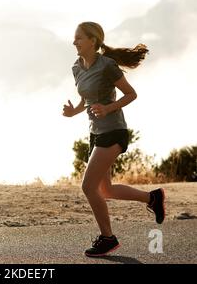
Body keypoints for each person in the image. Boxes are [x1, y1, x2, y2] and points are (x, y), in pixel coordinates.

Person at [63, 21, 165, 257]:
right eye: (74, 38)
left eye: (79, 38)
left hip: (113, 130)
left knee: (88, 186)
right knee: (105, 190)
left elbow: (131, 94)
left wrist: (109, 109)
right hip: (95, 132)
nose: (74, 42)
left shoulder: (107, 65)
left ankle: (108, 238)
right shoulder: (77, 67)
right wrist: (73, 111)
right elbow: (86, 99)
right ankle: (153, 197)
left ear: (93, 41)